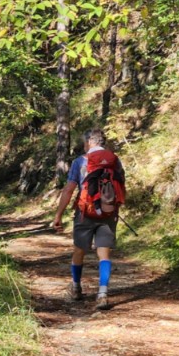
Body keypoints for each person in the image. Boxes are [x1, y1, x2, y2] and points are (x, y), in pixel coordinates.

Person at [52, 129, 126, 309]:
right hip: (108, 212)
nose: (84, 145)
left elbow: (69, 190)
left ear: (89, 143)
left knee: (79, 250)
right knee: (104, 252)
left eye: (84, 143)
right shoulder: (114, 160)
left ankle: (76, 287)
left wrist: (58, 215)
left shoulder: (80, 161)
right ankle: (102, 293)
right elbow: (121, 186)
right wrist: (114, 206)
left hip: (85, 211)